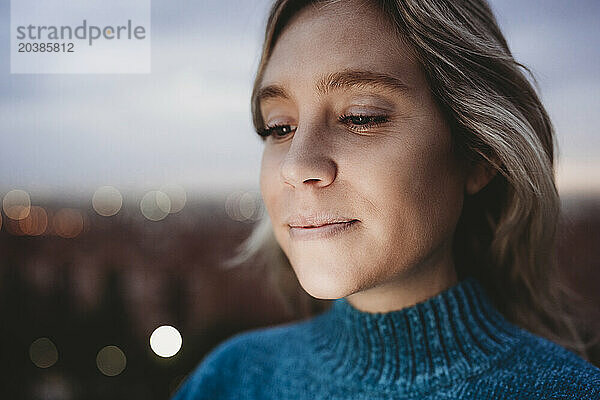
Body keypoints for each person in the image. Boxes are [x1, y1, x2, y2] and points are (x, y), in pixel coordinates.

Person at [172, 0, 600, 398]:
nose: (296, 166)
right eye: (280, 128)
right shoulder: (232, 379)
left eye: (360, 117)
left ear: (479, 155)